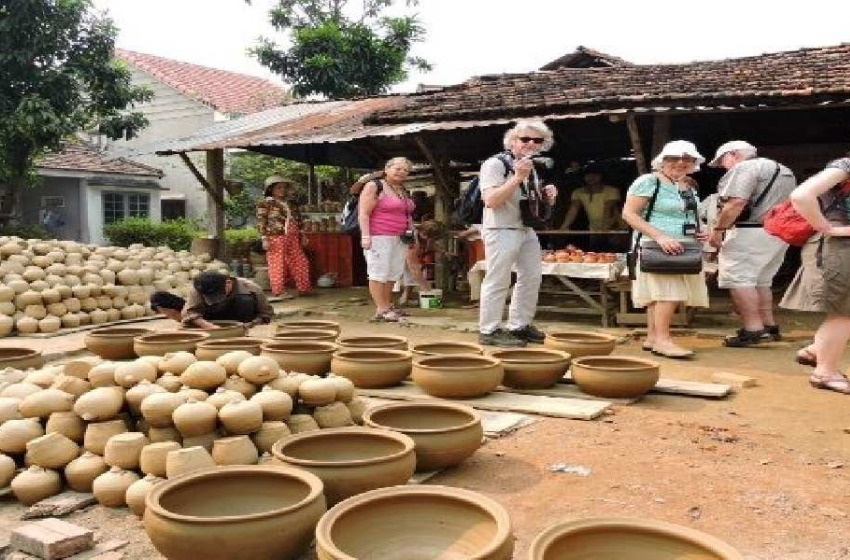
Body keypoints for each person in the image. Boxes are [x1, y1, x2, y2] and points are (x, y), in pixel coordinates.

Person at [621, 140, 709, 359]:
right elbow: (629, 214)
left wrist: (701, 230)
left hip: (683, 246)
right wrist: (660, 236)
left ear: (693, 163)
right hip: (655, 245)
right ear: (662, 160)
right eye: (673, 158)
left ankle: (653, 337)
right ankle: (663, 340)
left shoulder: (687, 185)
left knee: (660, 294)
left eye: (686, 159)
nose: (680, 163)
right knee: (668, 293)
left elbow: (691, 215)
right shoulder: (649, 181)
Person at [708, 141, 797, 347]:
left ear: (733, 154)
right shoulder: (784, 170)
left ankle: (753, 329)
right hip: (779, 231)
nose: (723, 166)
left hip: (751, 231)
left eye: (722, 161)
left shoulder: (745, 168)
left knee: (739, 279)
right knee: (762, 280)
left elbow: (736, 202)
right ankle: (769, 326)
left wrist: (718, 230)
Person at [478, 119, 558, 347]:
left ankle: (520, 325)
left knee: (532, 277)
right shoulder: (495, 164)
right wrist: (517, 178)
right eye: (525, 139)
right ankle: (489, 330)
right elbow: (491, 201)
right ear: (512, 141)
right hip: (500, 228)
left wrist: (546, 196)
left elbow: (527, 202)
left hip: (525, 228)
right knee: (498, 279)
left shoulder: (531, 167)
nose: (531, 143)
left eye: (537, 140)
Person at [782, 153, 850, 394]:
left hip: (840, 246)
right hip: (837, 246)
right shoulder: (845, 166)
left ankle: (816, 351)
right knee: (844, 312)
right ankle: (825, 373)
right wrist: (827, 227)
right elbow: (801, 195)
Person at [359, 157, 416, 322]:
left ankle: (386, 305)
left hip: (400, 237)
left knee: (393, 273)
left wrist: (412, 234)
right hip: (379, 236)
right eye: (398, 169)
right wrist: (365, 236)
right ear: (387, 169)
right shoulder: (374, 186)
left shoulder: (402, 189)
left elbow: (407, 214)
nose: (402, 172)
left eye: (405, 170)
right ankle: (382, 308)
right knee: (378, 273)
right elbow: (363, 213)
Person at [257, 175, 311, 298]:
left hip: (293, 236)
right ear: (271, 189)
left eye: (284, 187)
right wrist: (264, 239)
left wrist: (302, 235)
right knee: (277, 264)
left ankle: (304, 288)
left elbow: (298, 220)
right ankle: (279, 291)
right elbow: (261, 221)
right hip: (275, 237)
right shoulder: (265, 203)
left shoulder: (291, 203)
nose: (282, 190)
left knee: (301, 261)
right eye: (279, 187)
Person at [181, 271, 274, 329]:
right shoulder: (200, 289)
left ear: (228, 283)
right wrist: (207, 326)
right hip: (210, 324)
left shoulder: (251, 288)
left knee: (245, 299)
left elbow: (266, 314)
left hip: (243, 325)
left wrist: (250, 325)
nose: (216, 300)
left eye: (218, 295)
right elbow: (189, 313)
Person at [560, 165, 621, 231]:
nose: (591, 177)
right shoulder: (578, 192)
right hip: (594, 229)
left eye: (595, 174)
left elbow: (608, 209)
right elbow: (573, 209)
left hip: (615, 229)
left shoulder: (611, 191)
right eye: (587, 174)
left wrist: (604, 228)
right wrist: (564, 227)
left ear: (601, 176)